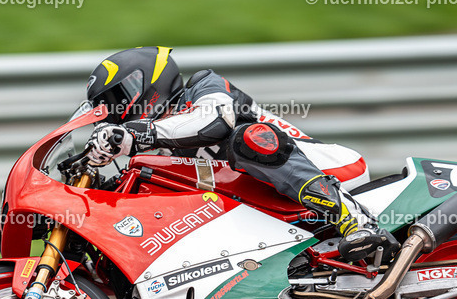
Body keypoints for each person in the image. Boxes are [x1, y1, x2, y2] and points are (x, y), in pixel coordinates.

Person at [83, 46, 397, 262]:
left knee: (245, 139)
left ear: (146, 80)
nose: (116, 114)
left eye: (119, 101)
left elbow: (215, 122)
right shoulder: (153, 149)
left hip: (332, 169)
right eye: (108, 110)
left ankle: (358, 222)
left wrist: (140, 134)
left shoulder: (204, 86)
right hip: (265, 203)